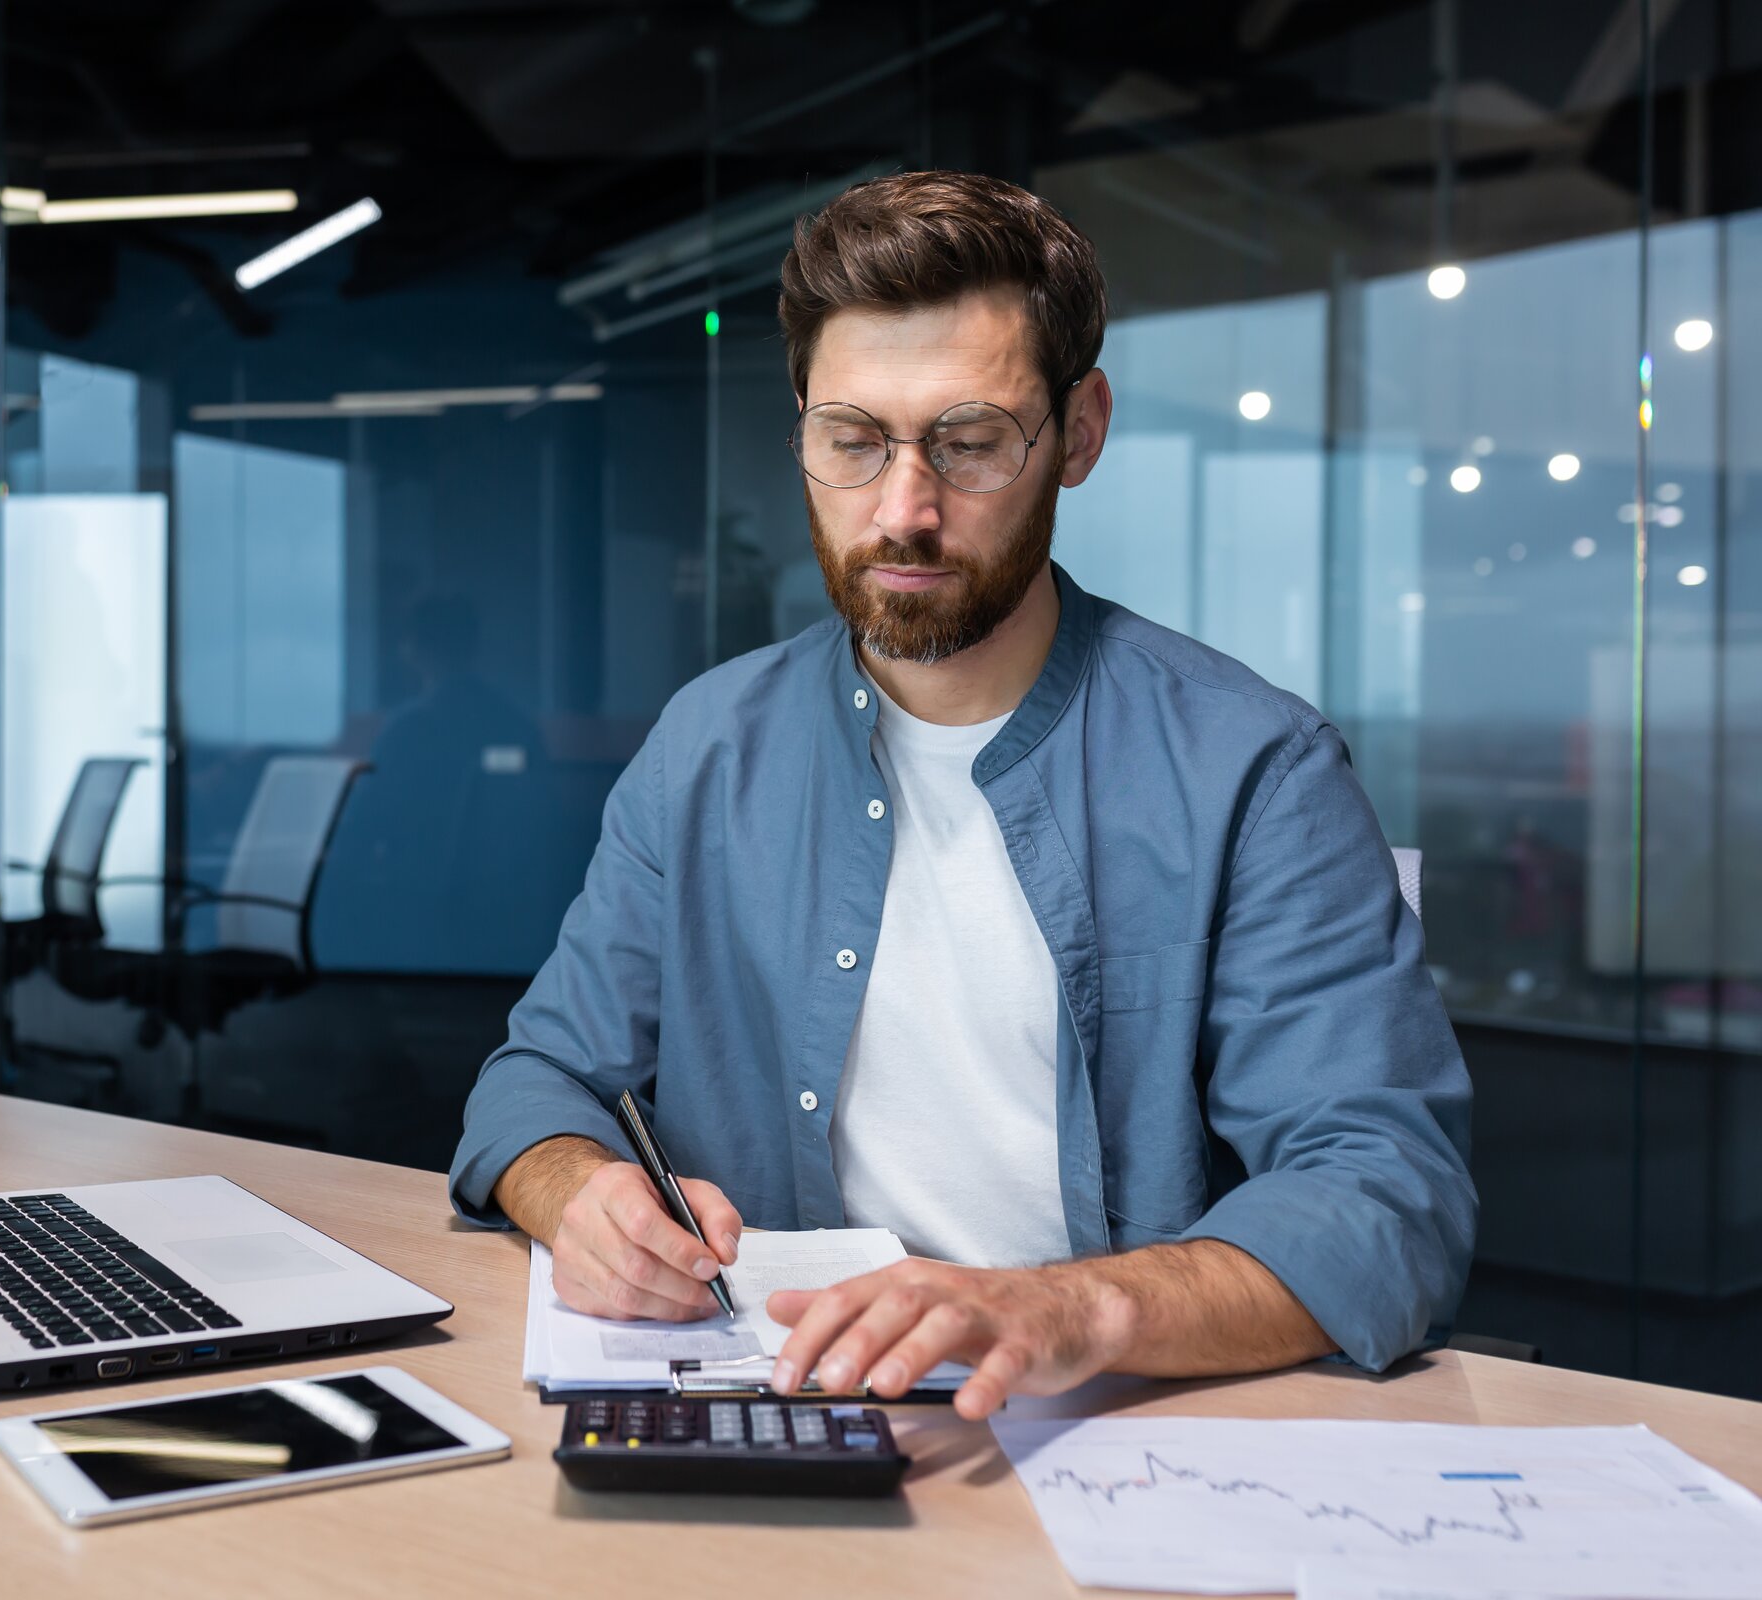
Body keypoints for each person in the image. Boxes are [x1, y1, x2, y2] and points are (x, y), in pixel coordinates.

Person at [446, 171, 1474, 1421]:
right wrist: (578, 1195)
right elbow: (541, 1073)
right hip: (770, 1406)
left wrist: (1065, 1305)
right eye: (851, 440)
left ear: (1078, 432)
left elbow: (1383, 1196)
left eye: (971, 441)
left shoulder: (1255, 768)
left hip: (1100, 1423)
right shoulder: (707, 745)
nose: (903, 510)